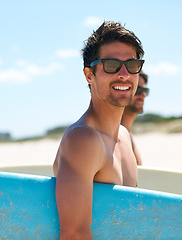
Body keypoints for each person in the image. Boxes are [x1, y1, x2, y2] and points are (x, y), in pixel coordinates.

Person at [53, 21, 144, 239]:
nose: (124, 74)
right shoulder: (83, 139)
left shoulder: (124, 136)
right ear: (89, 75)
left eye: (132, 65)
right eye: (111, 65)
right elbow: (74, 234)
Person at [121, 71, 149, 165]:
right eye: (138, 90)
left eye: (146, 91)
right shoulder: (115, 135)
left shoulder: (128, 135)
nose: (143, 95)